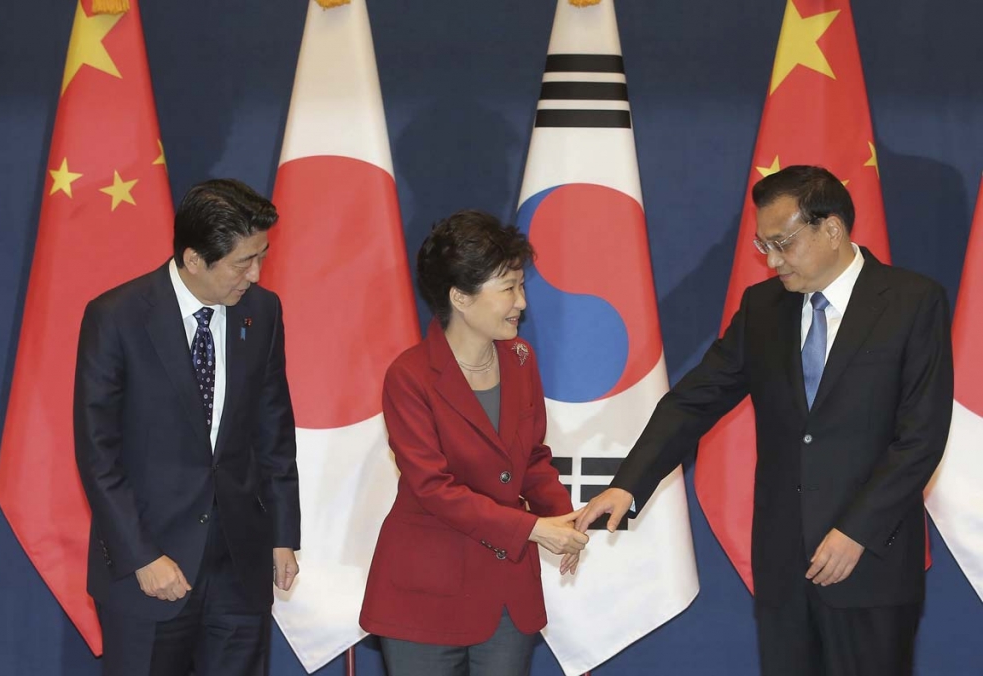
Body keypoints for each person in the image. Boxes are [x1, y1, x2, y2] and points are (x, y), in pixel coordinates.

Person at [578, 166, 953, 676]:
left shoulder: (913, 302)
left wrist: (855, 532)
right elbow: (694, 399)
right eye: (763, 245)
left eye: (782, 243)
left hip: (871, 564)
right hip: (783, 569)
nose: (772, 260)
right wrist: (630, 482)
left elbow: (921, 438)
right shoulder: (763, 307)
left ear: (832, 230)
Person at [73, 179, 301, 676]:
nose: (257, 274)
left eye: (261, 256)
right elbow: (98, 453)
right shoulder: (116, 317)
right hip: (150, 567)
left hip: (240, 568)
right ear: (195, 259)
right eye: (244, 262)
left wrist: (283, 534)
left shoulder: (262, 313)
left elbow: (274, 432)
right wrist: (141, 556)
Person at [360, 210, 588, 676]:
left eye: (521, 286)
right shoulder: (410, 376)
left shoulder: (521, 359)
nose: (521, 303)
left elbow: (532, 459)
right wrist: (531, 529)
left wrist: (562, 519)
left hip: (506, 591)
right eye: (508, 288)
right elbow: (433, 488)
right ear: (460, 297)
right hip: (424, 593)